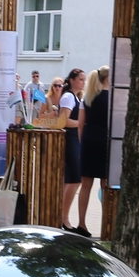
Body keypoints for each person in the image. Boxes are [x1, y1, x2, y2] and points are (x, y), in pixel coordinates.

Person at [76, 65, 110, 236]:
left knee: (86, 185)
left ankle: (81, 223)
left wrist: (82, 143)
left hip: (89, 140)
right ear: (108, 78)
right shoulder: (111, 97)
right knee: (105, 185)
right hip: (106, 141)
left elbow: (80, 125)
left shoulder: (87, 97)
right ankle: (106, 226)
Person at [57, 68, 86, 234]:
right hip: (70, 140)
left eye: (84, 79)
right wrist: (83, 123)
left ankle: (63, 216)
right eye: (81, 79)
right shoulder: (68, 97)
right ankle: (64, 217)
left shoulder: (75, 97)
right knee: (74, 180)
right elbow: (64, 121)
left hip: (75, 140)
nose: (83, 82)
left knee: (72, 181)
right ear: (72, 80)